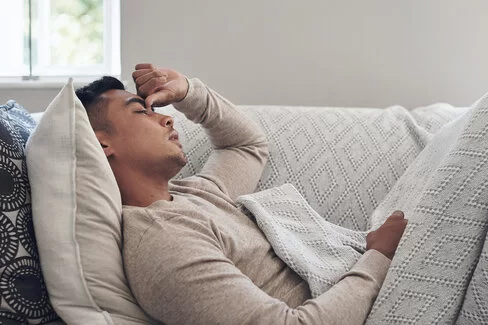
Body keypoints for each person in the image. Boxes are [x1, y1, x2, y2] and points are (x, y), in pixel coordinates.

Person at [75, 63, 407, 325]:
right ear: (102, 144)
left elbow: (247, 145)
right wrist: (379, 257)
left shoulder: (193, 195)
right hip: (374, 299)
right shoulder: (163, 244)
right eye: (141, 111)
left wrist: (187, 91)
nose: (165, 118)